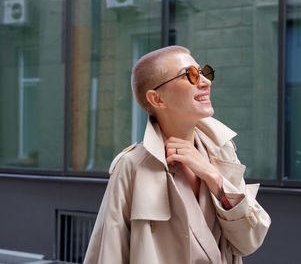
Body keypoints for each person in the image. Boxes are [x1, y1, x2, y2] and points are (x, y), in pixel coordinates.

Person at [83, 45, 271, 264]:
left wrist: (213, 176)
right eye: (189, 75)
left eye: (203, 72)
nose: (206, 82)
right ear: (157, 99)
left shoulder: (222, 152)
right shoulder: (132, 166)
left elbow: (250, 241)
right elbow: (110, 254)